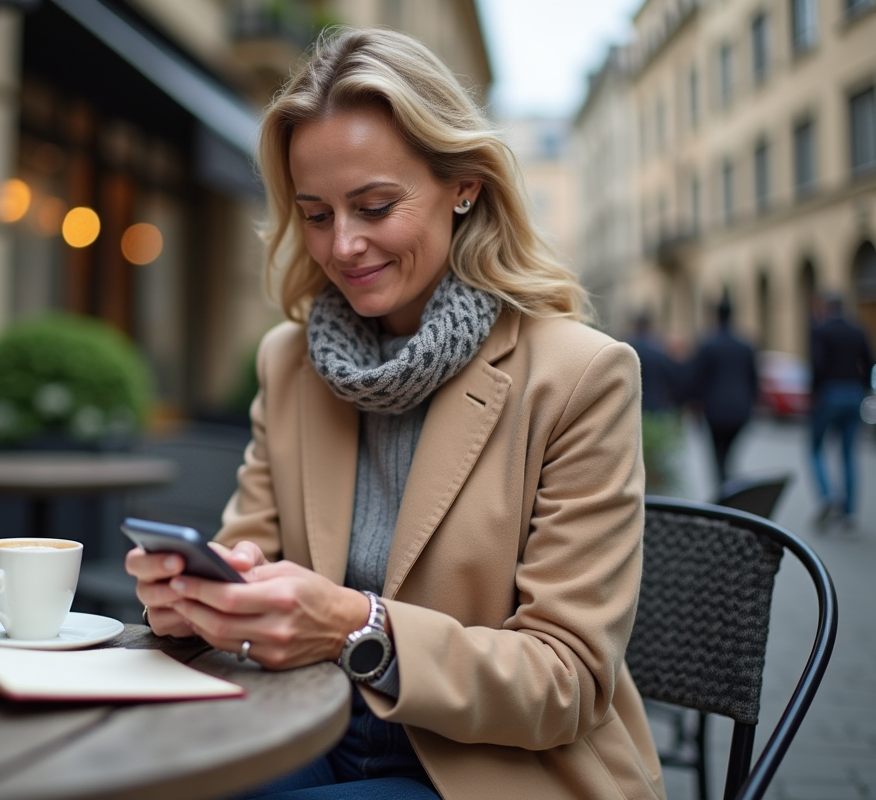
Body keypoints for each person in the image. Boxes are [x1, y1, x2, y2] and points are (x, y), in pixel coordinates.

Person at [126, 28, 664, 800]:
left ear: (465, 187)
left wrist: (360, 626)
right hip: (302, 725)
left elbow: (566, 682)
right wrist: (194, 599)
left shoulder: (580, 375)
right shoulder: (290, 362)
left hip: (492, 770)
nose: (343, 246)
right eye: (315, 215)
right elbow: (248, 554)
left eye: (375, 206)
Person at [809, 292, 874, 529]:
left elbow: (816, 364)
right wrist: (863, 387)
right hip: (853, 393)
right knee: (848, 453)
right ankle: (849, 513)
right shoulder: (858, 330)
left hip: (829, 393)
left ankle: (829, 496)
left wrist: (814, 393)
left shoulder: (820, 330)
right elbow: (869, 361)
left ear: (826, 308)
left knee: (815, 448)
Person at [687, 297, 758, 489]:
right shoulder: (745, 345)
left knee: (718, 456)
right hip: (740, 410)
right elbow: (754, 379)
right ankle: (727, 486)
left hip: (715, 410)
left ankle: (723, 491)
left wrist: (693, 403)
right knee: (727, 455)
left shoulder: (709, 344)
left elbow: (697, 377)